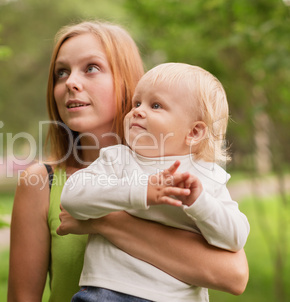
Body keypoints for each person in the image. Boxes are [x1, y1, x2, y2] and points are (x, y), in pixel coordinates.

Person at [7, 21, 249, 302]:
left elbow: (234, 275)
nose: (70, 82)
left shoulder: (189, 175)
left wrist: (102, 222)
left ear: (126, 80)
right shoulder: (42, 182)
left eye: (91, 68)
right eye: (61, 73)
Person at [60, 62, 250, 301]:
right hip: (108, 293)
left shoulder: (204, 177)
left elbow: (235, 237)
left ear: (194, 133)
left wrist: (200, 203)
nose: (138, 111)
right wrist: (141, 191)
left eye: (156, 105)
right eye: (137, 103)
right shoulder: (118, 158)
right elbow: (71, 197)